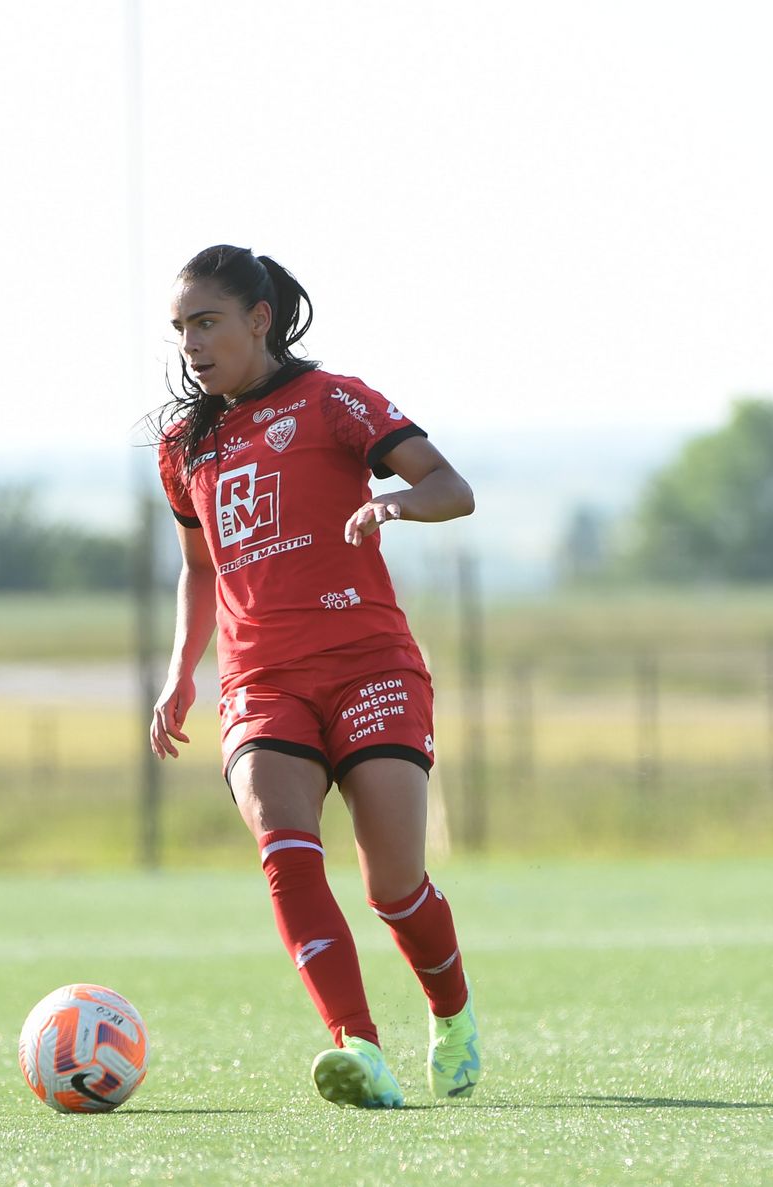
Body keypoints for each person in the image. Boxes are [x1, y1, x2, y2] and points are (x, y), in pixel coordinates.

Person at [147, 244, 481, 1108]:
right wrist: (181, 672)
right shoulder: (186, 445)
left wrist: (394, 502)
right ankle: (360, 1049)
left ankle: (452, 1013)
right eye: (181, 327)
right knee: (288, 856)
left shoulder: (334, 400)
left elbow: (452, 487)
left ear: (259, 319)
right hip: (261, 682)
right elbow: (200, 568)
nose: (191, 343)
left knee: (392, 887)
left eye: (207, 322)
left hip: (370, 666)